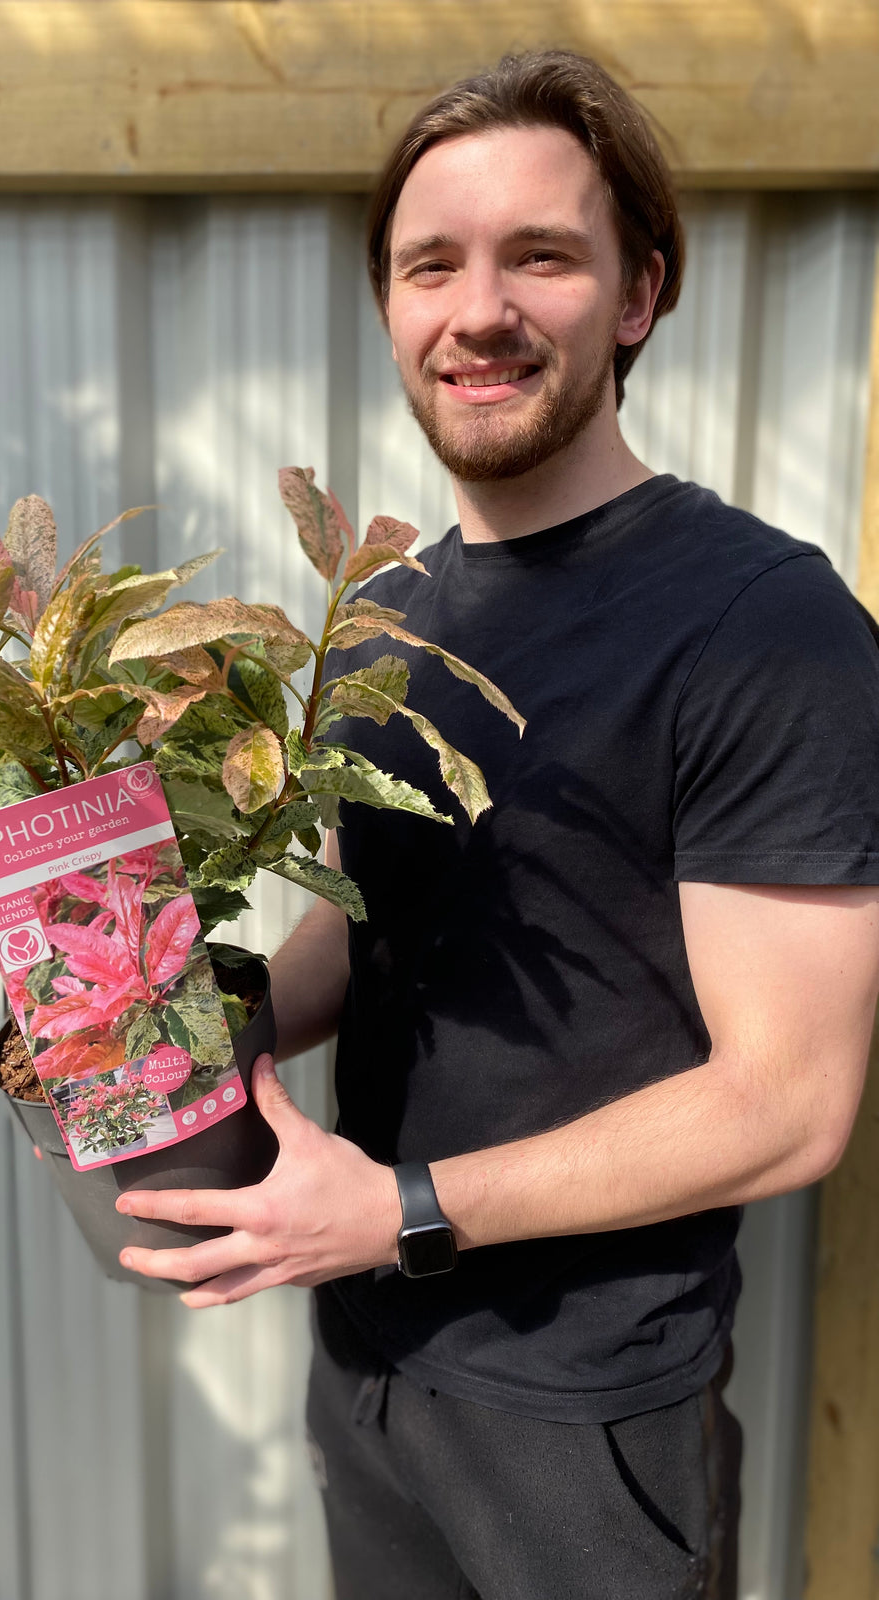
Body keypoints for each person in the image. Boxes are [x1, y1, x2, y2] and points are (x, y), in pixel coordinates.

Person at [116, 49, 879, 1599]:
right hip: (374, 1362)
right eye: (431, 265)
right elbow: (386, 915)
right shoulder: (384, 617)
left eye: (541, 255)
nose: (479, 310)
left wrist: (396, 1210)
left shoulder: (763, 622)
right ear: (394, 308)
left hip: (586, 1412)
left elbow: (790, 1102)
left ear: (638, 295)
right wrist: (196, 1002)